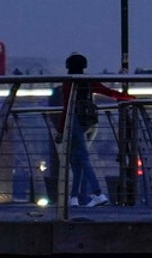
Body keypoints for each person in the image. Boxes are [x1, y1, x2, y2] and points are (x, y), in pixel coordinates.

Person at [54, 53, 131, 208]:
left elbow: (66, 107)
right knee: (76, 161)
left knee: (83, 158)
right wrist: (130, 98)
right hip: (88, 121)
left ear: (68, 66)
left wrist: (61, 130)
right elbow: (108, 92)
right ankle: (74, 198)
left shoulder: (68, 83)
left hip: (74, 120)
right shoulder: (88, 81)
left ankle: (98, 193)